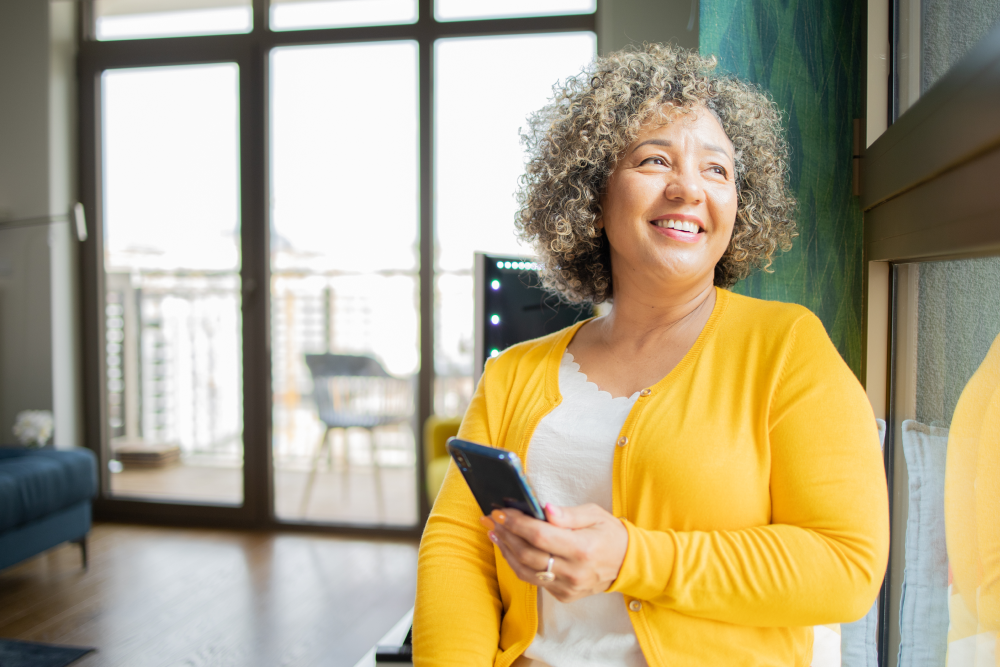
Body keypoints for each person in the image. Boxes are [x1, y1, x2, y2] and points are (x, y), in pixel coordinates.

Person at [413, 43, 889, 666]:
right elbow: (457, 549)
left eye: (717, 170)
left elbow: (846, 566)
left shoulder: (787, 348)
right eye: (654, 159)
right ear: (593, 193)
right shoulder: (513, 373)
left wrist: (629, 559)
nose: (688, 187)